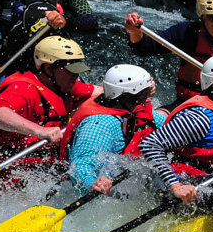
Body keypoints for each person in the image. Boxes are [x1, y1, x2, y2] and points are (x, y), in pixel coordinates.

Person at [0, 36, 101, 190]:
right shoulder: (22, 88)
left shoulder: (64, 86)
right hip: (13, 168)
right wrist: (41, 131)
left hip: (49, 165)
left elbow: (103, 91)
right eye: (70, 71)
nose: (76, 76)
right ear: (48, 68)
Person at [139, 54, 213, 207]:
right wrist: (175, 186)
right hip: (184, 188)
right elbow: (150, 144)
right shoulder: (199, 119)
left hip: (208, 180)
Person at [63, 64, 165, 195]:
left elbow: (170, 132)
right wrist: (93, 184)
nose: (148, 96)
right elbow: (80, 165)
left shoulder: (139, 110)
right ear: (127, 97)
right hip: (111, 192)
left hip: (139, 181)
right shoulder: (100, 124)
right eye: (144, 93)